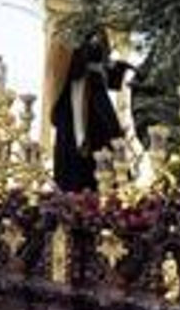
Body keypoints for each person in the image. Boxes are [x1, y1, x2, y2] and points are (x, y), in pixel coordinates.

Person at [49, 29, 135, 192]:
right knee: (76, 154)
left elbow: (104, 71)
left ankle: (113, 189)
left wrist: (118, 68)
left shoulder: (99, 30)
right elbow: (64, 67)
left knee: (109, 142)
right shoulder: (68, 30)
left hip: (99, 101)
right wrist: (83, 53)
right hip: (74, 105)